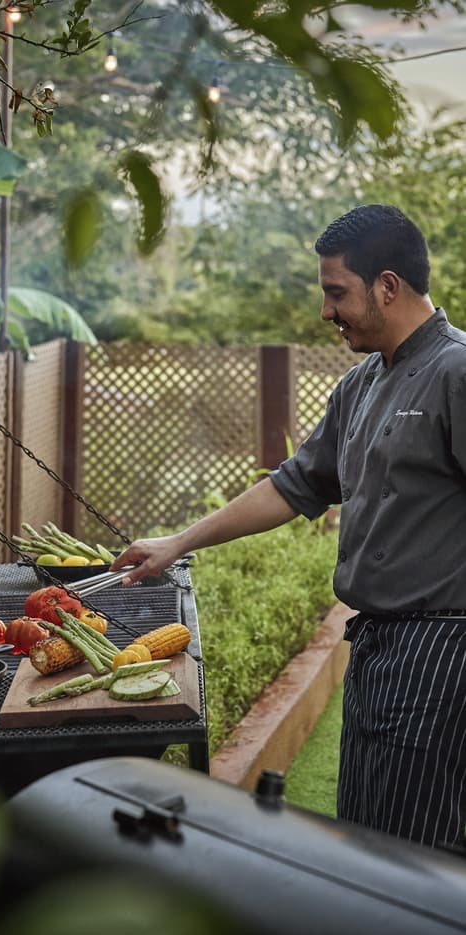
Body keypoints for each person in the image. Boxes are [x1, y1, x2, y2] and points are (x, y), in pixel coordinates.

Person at [111, 204, 466, 849]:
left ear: (388, 286)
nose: (326, 311)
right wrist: (179, 542)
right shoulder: (359, 386)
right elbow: (293, 485)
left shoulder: (457, 373)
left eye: (337, 292)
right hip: (375, 646)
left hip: (443, 652)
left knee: (413, 853)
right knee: (362, 836)